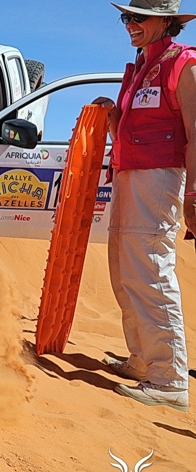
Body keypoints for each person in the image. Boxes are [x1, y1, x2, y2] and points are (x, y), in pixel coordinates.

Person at [92, 0, 196, 411]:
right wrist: (113, 115)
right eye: (126, 17)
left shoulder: (183, 63)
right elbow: (134, 130)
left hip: (159, 179)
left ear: (165, 21)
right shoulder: (139, 66)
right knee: (125, 269)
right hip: (130, 175)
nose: (130, 24)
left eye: (139, 18)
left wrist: (194, 195)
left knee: (150, 269)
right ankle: (142, 360)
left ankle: (169, 380)